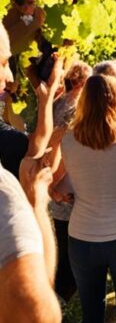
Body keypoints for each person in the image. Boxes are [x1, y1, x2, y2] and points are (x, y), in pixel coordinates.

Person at [57, 75, 116, 323]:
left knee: (92, 313)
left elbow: (67, 182)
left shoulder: (69, 141)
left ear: (84, 101)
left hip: (83, 237)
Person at [0, 23, 61, 322]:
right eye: (1, 63)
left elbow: (32, 147)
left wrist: (46, 99)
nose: (10, 78)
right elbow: (36, 315)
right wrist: (37, 206)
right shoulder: (4, 192)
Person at [44, 60, 91, 303]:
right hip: (72, 181)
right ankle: (67, 295)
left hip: (56, 180)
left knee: (62, 242)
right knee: (77, 246)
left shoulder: (55, 104)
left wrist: (51, 186)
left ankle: (60, 293)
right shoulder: (80, 108)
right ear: (84, 81)